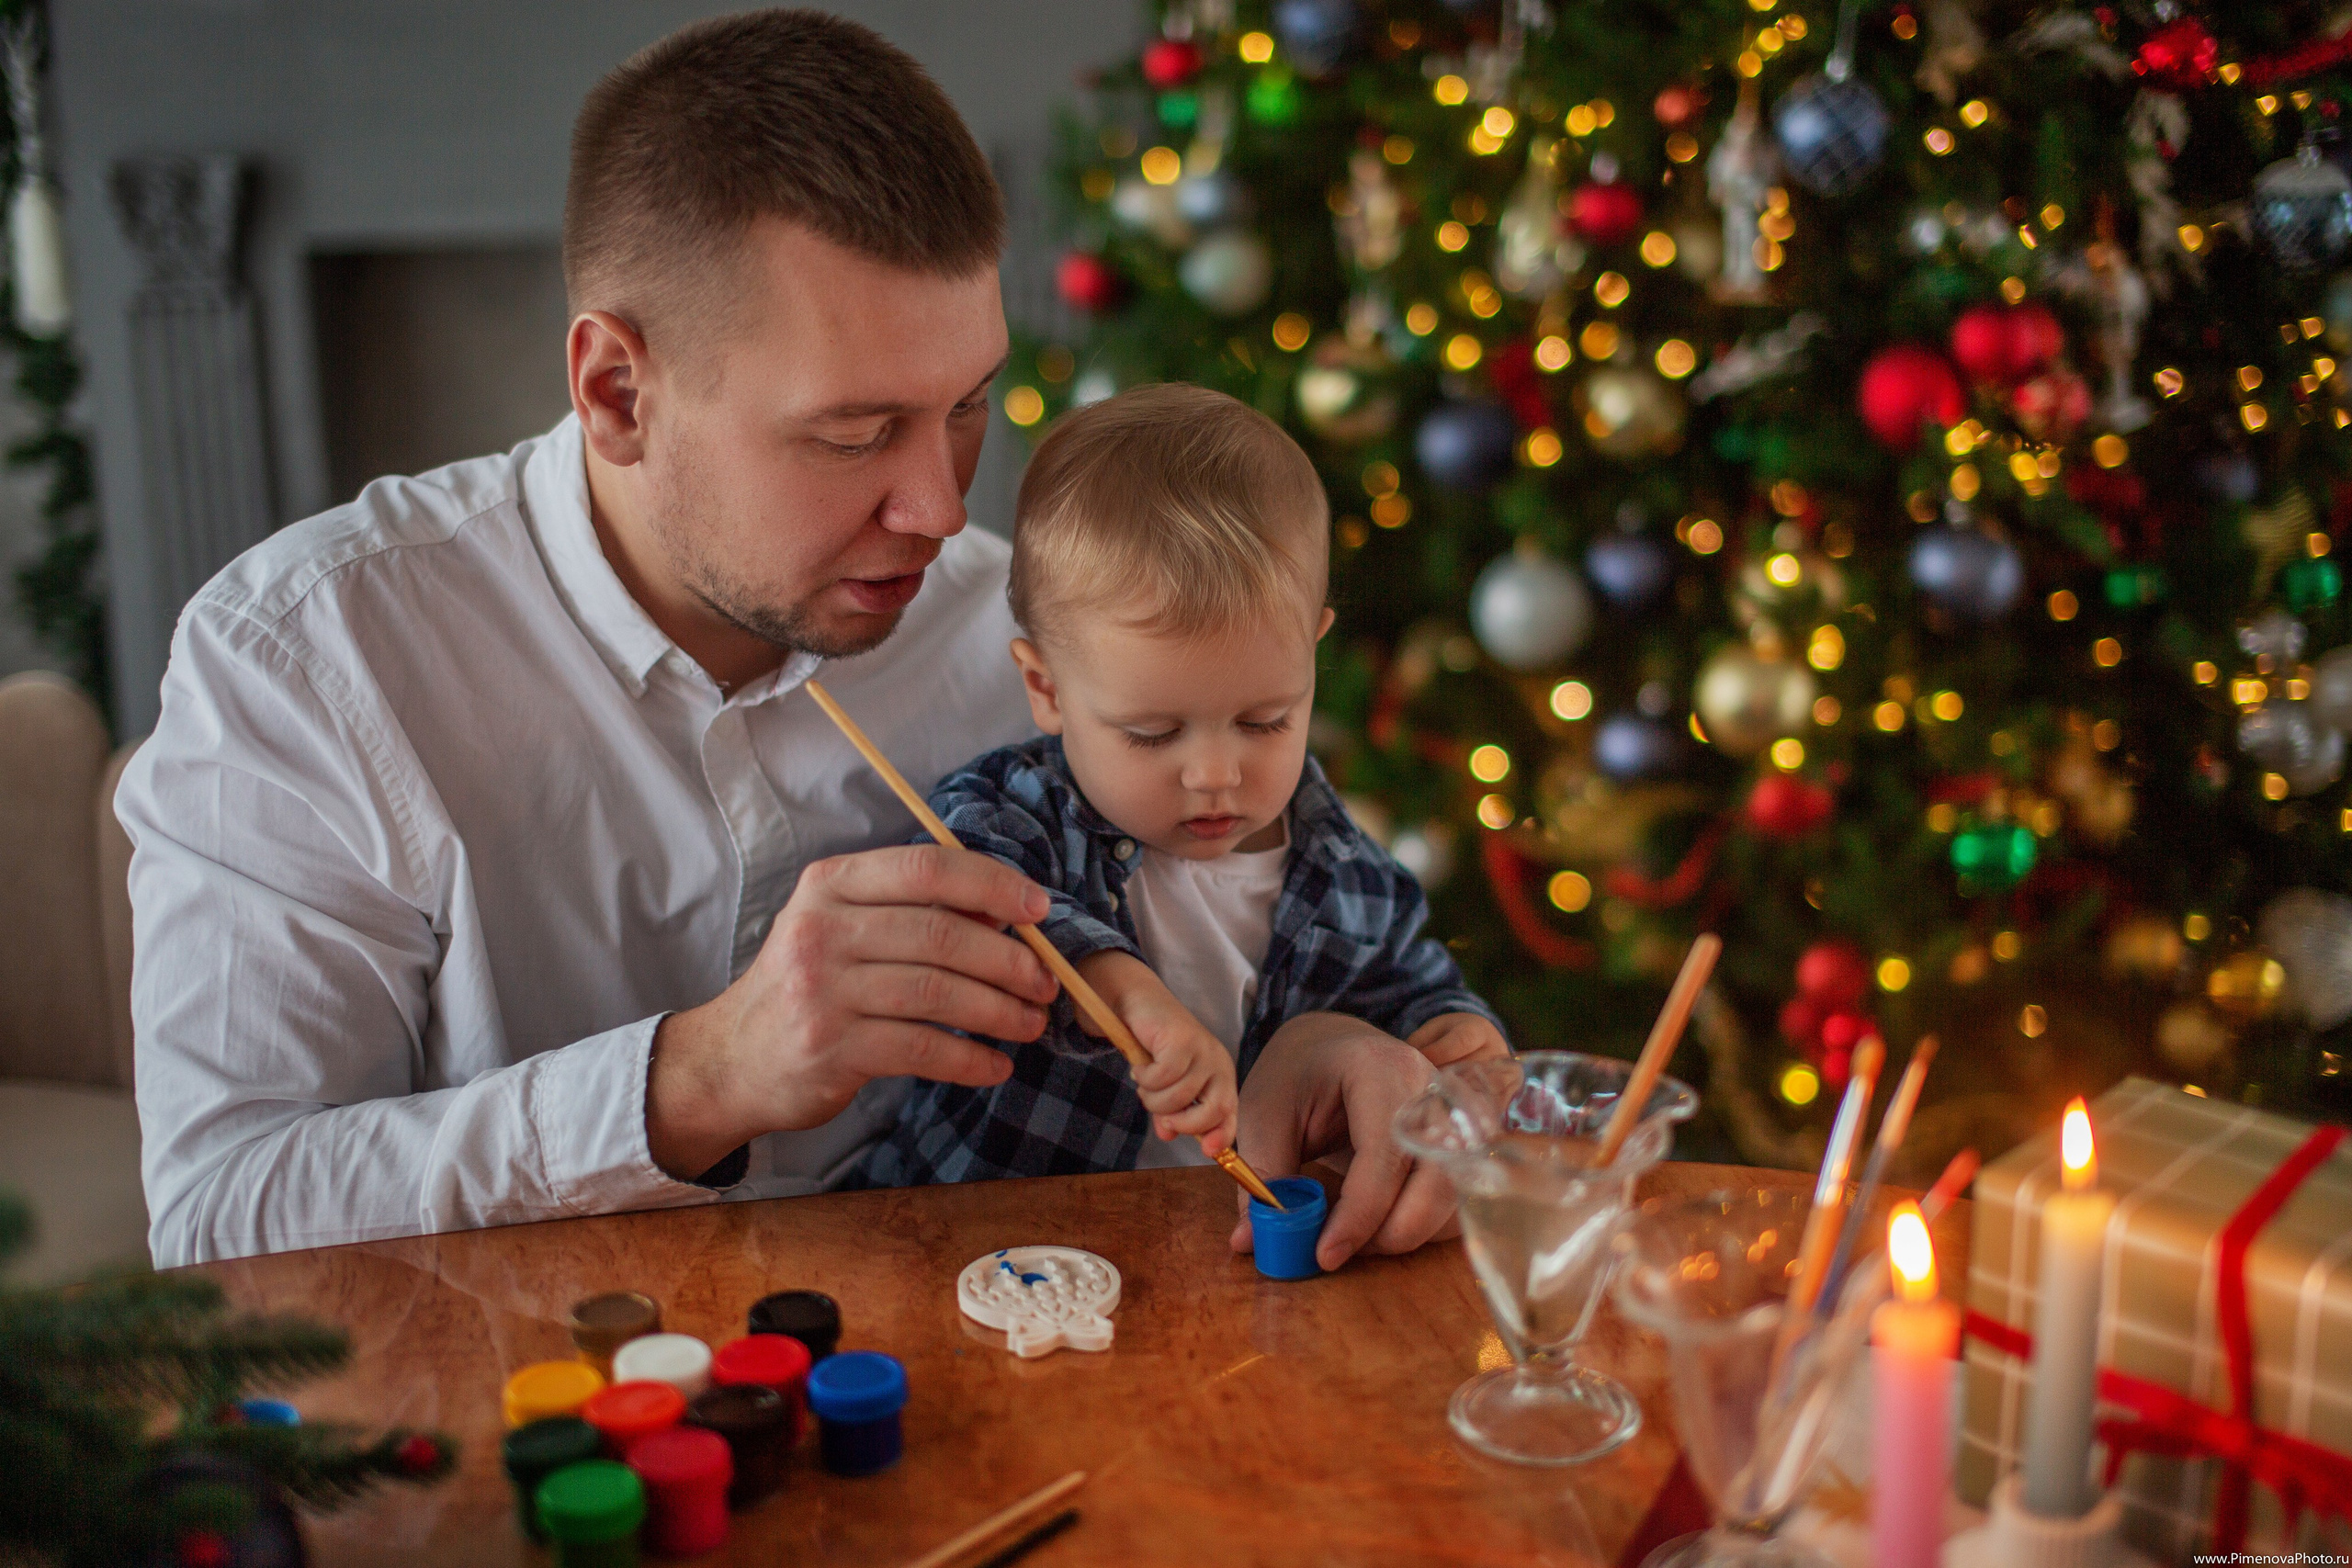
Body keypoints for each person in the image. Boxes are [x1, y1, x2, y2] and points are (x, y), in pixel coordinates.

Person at [120, 9, 1471, 1270]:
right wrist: (699, 1077)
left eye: (967, 406)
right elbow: (221, 1210)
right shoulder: (309, 657)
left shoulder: (1025, 633)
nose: (940, 509)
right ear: (617, 392)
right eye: (854, 433)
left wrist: (1337, 1043)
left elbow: (1232, 937)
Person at [862, 386, 1507, 1204]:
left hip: (1227, 1243)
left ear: (1312, 656)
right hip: (995, 1240)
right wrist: (1123, 990)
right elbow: (960, 896)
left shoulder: (1342, 867)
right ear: (1047, 687)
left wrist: (1455, 1032)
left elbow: (1409, 983)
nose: (1214, 774)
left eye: (1265, 721)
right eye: (1153, 732)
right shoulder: (1013, 813)